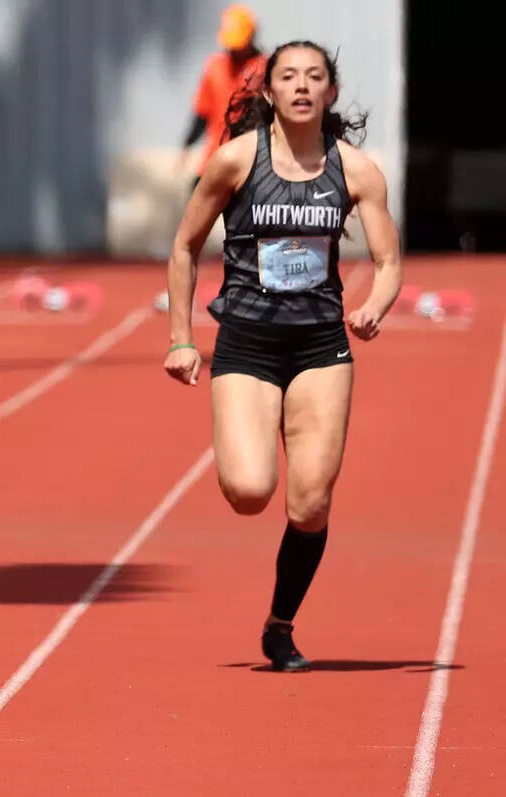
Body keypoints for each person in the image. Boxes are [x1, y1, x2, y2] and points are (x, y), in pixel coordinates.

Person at [163, 41, 402, 671]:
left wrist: (377, 304)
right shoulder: (236, 161)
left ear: (329, 91)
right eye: (288, 76)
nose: (301, 86)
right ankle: (251, 425)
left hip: (322, 346)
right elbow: (185, 247)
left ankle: (280, 623)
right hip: (247, 340)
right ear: (268, 91)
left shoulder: (356, 171)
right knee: (248, 490)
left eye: (314, 77)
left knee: (310, 505)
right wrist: (180, 338)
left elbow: (387, 261)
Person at [179, 4, 267, 188]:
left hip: (250, 160)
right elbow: (202, 113)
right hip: (214, 157)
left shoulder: (263, 68)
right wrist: (187, 144)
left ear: (251, 37)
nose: (235, 50)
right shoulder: (215, 67)